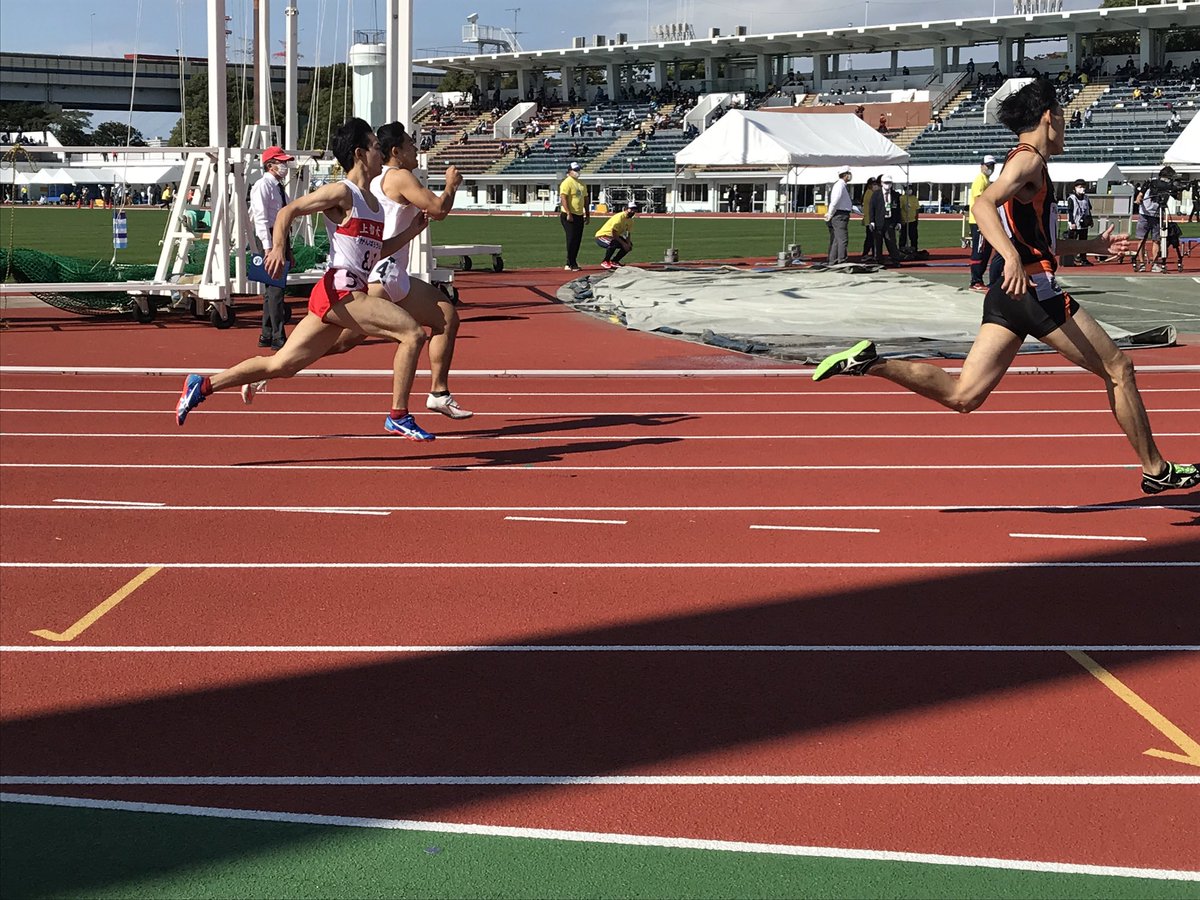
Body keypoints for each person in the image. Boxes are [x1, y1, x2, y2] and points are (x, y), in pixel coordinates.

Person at [811, 79, 1198, 496]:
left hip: (1007, 293)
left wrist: (1093, 245)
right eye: (1063, 116)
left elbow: (1044, 243)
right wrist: (1012, 257)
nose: (1067, 125)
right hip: (1033, 290)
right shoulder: (1028, 161)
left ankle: (870, 363)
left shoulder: (1031, 166)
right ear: (1049, 117)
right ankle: (1156, 469)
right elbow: (981, 205)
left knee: (964, 395)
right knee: (1119, 369)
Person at [174, 118, 435, 440]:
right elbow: (288, 212)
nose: (382, 155)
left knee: (282, 366)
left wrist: (410, 232)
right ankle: (398, 415)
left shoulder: (374, 205)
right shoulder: (343, 192)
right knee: (412, 333)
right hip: (342, 290)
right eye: (377, 148)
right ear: (359, 153)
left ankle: (204, 384)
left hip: (344, 293)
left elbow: (377, 250)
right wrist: (278, 249)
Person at [249, 145, 295, 350]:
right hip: (269, 236)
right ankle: (278, 335)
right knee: (276, 288)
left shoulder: (277, 186)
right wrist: (268, 247)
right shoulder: (263, 185)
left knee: (272, 289)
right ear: (270, 165)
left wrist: (288, 248)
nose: (284, 165)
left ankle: (267, 333)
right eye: (281, 162)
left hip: (279, 236)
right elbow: (260, 217)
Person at [967, 154, 998, 291]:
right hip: (979, 220)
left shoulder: (986, 180)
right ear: (982, 166)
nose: (990, 168)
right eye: (988, 165)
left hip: (984, 220)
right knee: (979, 250)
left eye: (992, 165)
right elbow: (979, 199)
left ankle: (978, 279)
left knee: (985, 250)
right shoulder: (980, 180)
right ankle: (975, 280)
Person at [559, 161, 588, 271]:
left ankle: (570, 261)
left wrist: (587, 213)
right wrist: (568, 212)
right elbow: (563, 198)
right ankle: (572, 263)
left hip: (579, 214)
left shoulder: (581, 183)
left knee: (577, 239)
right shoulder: (567, 182)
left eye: (578, 170)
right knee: (571, 238)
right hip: (569, 215)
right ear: (569, 171)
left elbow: (585, 199)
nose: (577, 172)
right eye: (575, 170)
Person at [869, 175, 902, 266]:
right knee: (878, 242)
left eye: (889, 183)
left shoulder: (895, 195)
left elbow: (898, 209)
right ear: (882, 183)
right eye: (886, 183)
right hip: (879, 222)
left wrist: (899, 221)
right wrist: (872, 221)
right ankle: (878, 261)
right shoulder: (876, 194)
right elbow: (872, 208)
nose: (888, 185)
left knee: (891, 241)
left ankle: (895, 260)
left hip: (890, 222)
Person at [594, 201, 638, 269]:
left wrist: (628, 243)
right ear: (626, 209)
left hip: (613, 237)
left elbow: (627, 233)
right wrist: (623, 244)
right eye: (631, 209)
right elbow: (613, 233)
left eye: (634, 209)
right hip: (602, 236)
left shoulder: (630, 220)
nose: (633, 211)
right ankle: (605, 261)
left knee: (629, 245)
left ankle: (615, 261)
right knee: (613, 243)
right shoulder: (619, 217)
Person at [824, 166, 853, 265]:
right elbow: (835, 201)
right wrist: (830, 213)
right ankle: (842, 260)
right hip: (840, 215)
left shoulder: (841, 185)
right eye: (849, 174)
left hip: (840, 214)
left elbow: (844, 202)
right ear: (845, 175)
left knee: (837, 239)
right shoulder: (839, 185)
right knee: (843, 239)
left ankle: (833, 260)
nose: (850, 176)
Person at [1065, 178, 1093, 266]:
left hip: (1084, 224)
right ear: (1075, 188)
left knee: (1083, 243)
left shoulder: (1086, 198)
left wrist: (1090, 220)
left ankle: (1083, 259)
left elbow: (1089, 209)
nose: (1082, 189)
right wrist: (1071, 222)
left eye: (1084, 187)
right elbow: (1070, 211)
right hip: (1075, 224)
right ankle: (1071, 259)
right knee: (1072, 242)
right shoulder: (1071, 198)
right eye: (1080, 187)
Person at [898, 184, 920, 253]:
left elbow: (917, 209)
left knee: (913, 236)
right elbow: (900, 209)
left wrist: (916, 218)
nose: (909, 190)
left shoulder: (914, 198)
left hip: (912, 220)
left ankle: (914, 249)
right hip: (904, 220)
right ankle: (902, 249)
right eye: (908, 189)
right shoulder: (902, 198)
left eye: (910, 189)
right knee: (903, 236)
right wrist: (901, 219)